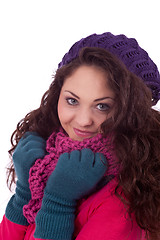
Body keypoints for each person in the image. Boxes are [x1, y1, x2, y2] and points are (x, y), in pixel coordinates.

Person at [0, 32, 160, 240]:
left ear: (130, 112)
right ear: (58, 94)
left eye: (102, 106)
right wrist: (24, 194)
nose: (84, 120)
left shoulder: (123, 198)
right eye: (72, 101)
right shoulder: (47, 165)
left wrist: (58, 204)